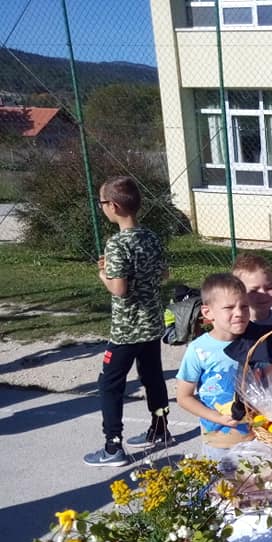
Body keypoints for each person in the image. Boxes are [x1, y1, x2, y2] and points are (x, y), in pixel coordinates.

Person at [84, 176, 171, 467]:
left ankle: (113, 446)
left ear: (115, 206)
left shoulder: (116, 244)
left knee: (109, 384)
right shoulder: (151, 237)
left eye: (103, 203)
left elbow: (119, 289)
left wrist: (104, 275)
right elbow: (163, 275)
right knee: (152, 377)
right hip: (151, 323)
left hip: (126, 329)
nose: (102, 207)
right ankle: (160, 429)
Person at [175, 273, 254, 459]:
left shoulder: (255, 342)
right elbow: (184, 397)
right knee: (221, 487)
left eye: (244, 306)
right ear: (208, 312)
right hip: (218, 442)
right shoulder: (199, 350)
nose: (239, 313)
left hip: (255, 437)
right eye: (229, 307)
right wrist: (217, 417)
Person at [231, 253, 272, 358]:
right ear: (238, 292)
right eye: (254, 290)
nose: (263, 294)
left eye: (269, 288)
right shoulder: (236, 325)